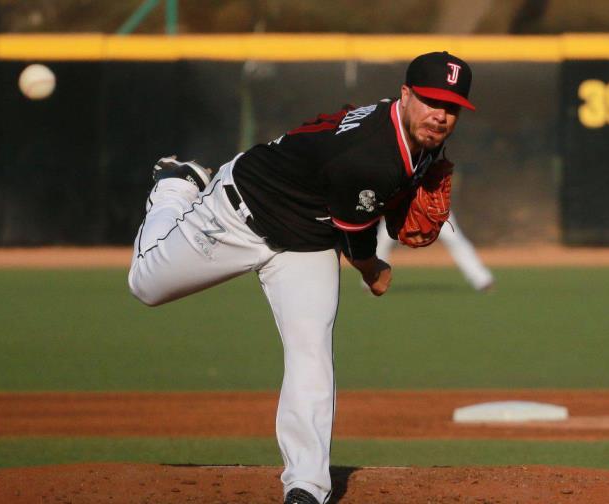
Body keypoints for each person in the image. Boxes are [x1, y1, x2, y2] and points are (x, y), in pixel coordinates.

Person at [128, 51, 475, 504]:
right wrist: (375, 272)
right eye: (431, 101)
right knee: (146, 285)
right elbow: (356, 241)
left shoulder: (417, 136)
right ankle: (175, 186)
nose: (441, 115)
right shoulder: (370, 156)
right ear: (406, 95)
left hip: (305, 242)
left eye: (451, 107)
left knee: (311, 347)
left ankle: (306, 486)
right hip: (239, 215)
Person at [374, 211, 494, 291]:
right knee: (383, 240)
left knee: (454, 239)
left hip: (432, 207)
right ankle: (373, 280)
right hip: (403, 208)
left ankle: (482, 280)